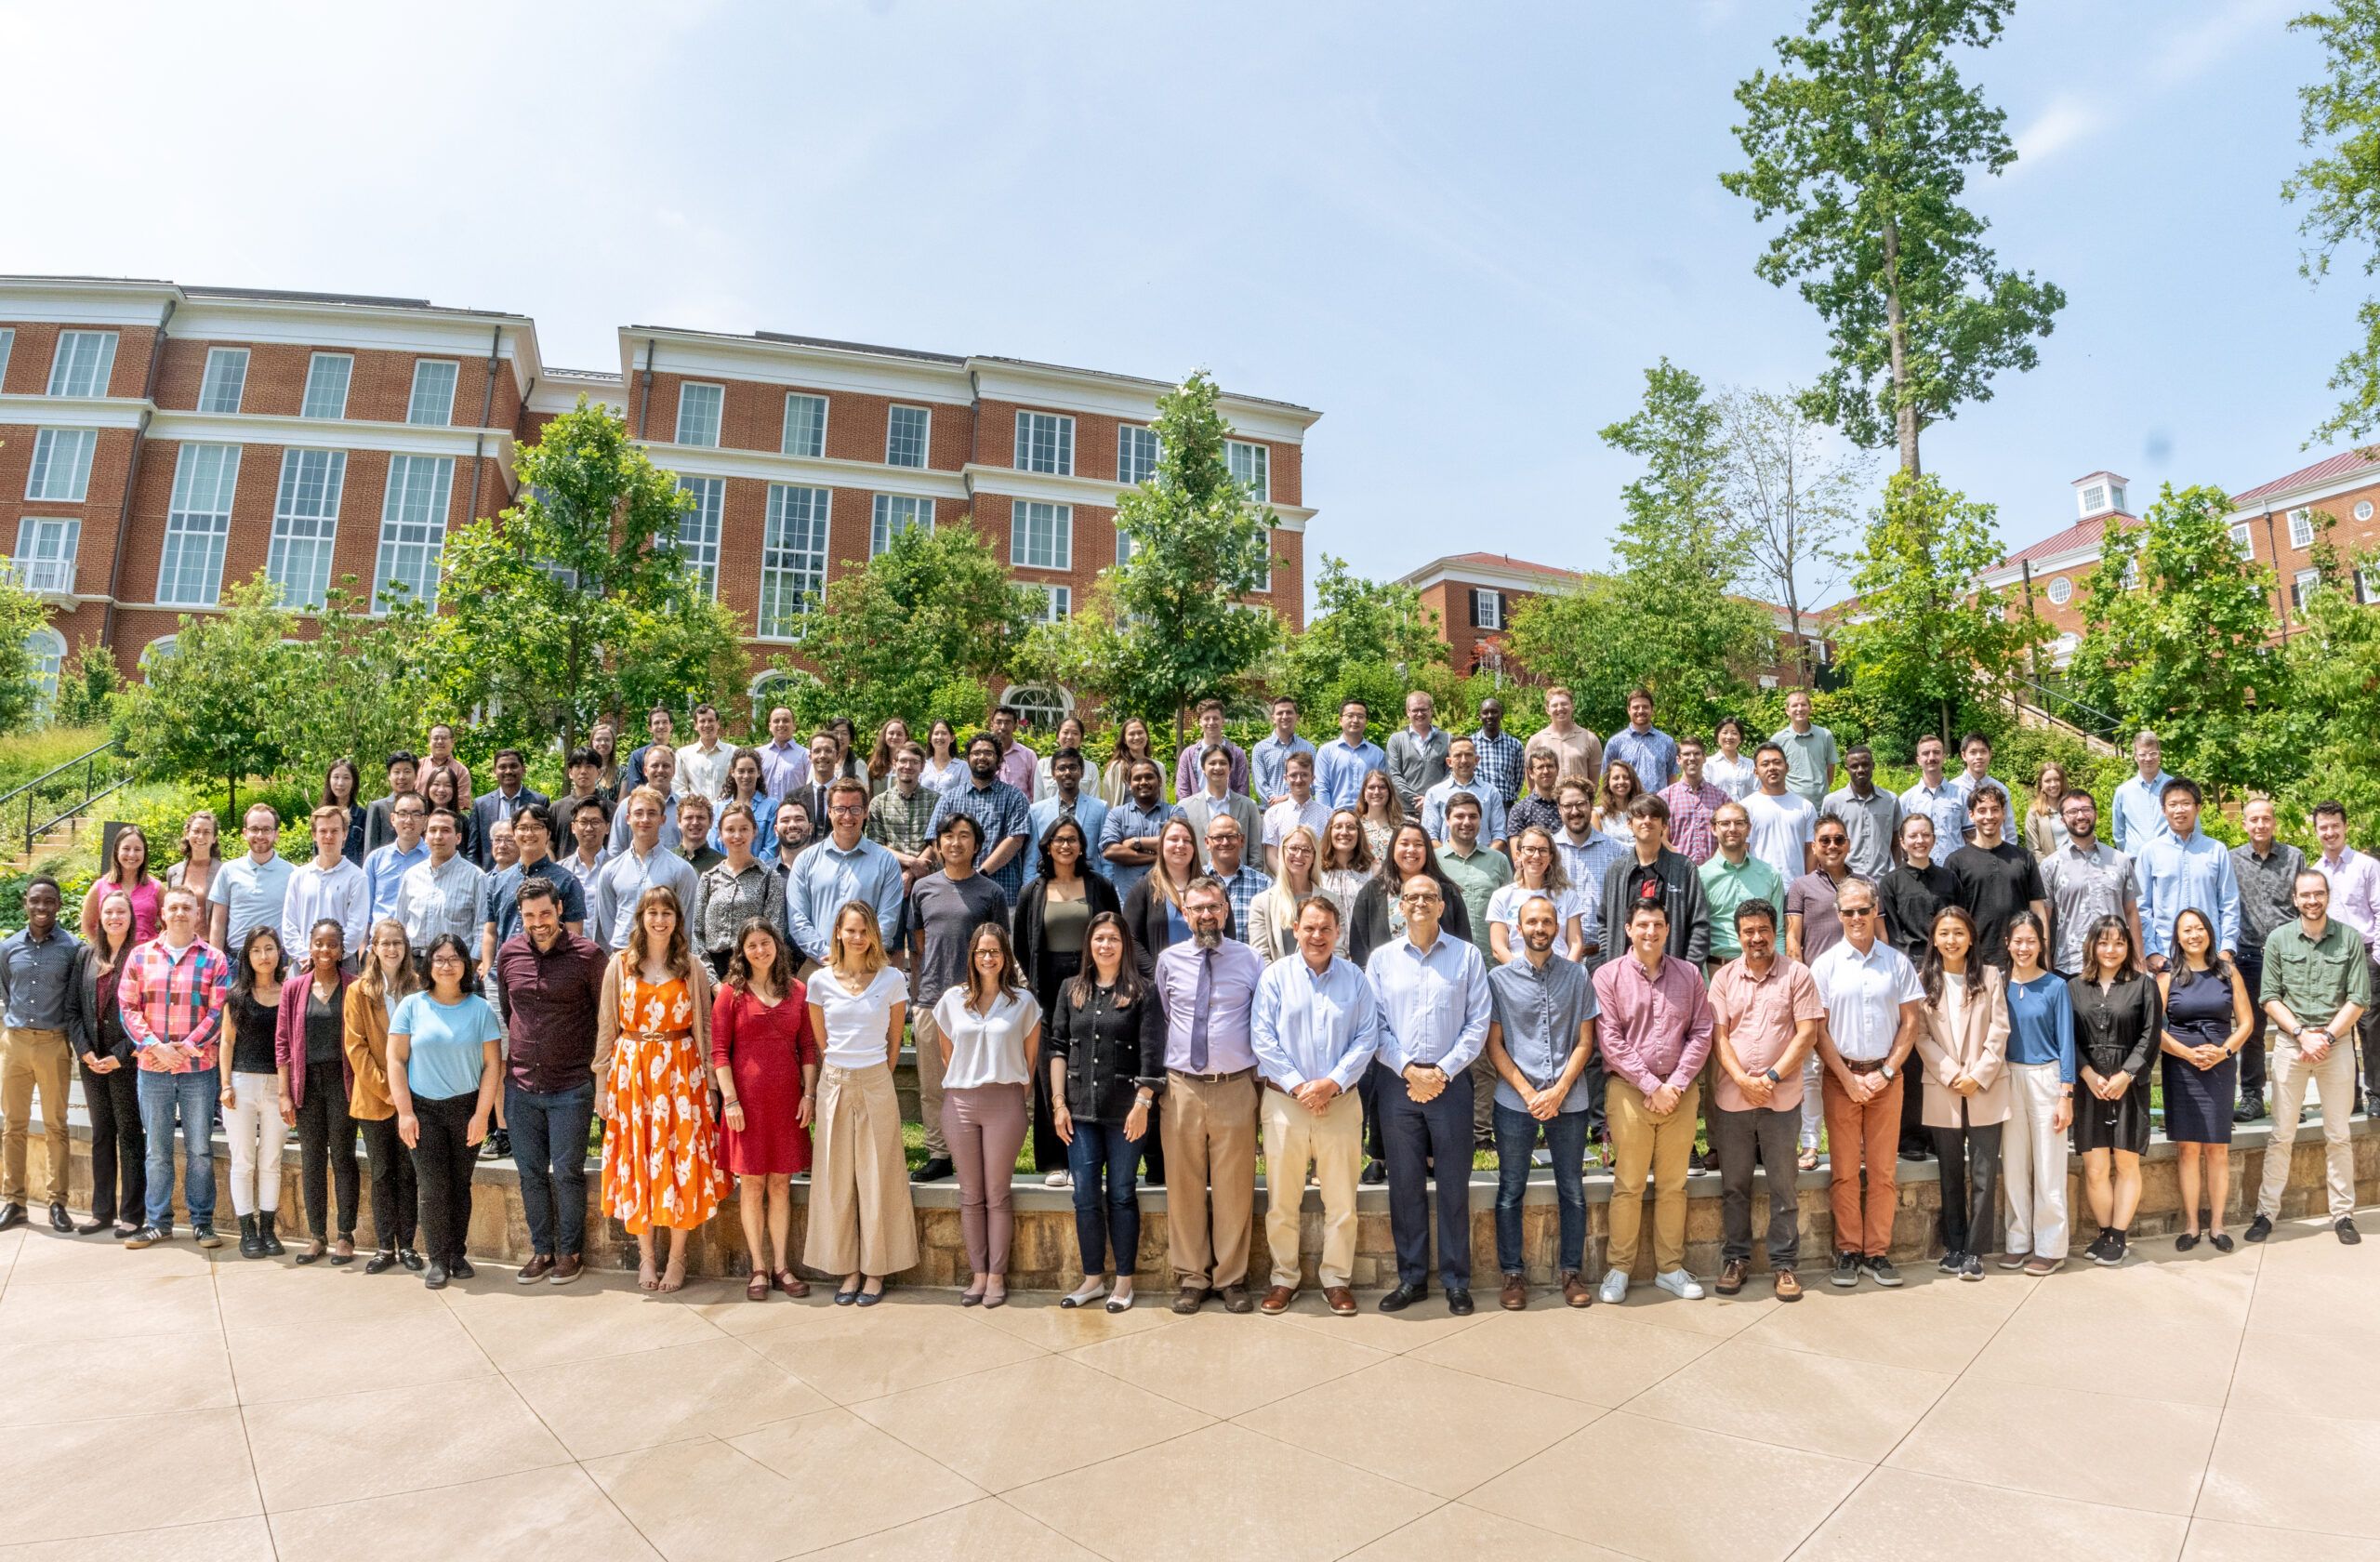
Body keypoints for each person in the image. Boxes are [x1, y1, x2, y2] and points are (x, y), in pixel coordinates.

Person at [1366, 869, 1492, 1315]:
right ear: (1400, 906)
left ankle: (1457, 1281)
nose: (1419, 902)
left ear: (1441, 905)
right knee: (1405, 1186)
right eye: (1411, 896)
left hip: (1451, 1085)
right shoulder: (1381, 960)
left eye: (1429, 896)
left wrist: (1441, 1071)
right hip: (1397, 1084)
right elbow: (1374, 1025)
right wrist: (1409, 1070)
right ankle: (1412, 1279)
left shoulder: (1467, 956)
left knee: (1454, 1186)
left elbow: (1478, 1023)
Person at [1251, 894, 1382, 1317]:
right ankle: (1283, 1278)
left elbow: (1367, 1037)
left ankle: (1336, 1280)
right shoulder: (1275, 977)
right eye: (1309, 927)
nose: (1317, 936)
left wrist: (1330, 1083)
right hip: (1284, 1104)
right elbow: (1262, 1039)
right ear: (1295, 930)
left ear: (1338, 932)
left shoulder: (1355, 979)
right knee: (1282, 1201)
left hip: (1340, 1103)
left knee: (1342, 1203)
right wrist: (1300, 1088)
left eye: (1326, 928)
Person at [593, 887, 723, 1292]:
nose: (660, 920)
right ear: (641, 918)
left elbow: (704, 1027)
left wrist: (711, 1083)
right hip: (632, 1074)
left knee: (681, 1157)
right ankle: (647, 1256)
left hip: (681, 1073)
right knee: (638, 1157)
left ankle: (678, 1257)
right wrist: (601, 1085)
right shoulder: (619, 965)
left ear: (677, 920)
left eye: (667, 913)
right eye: (653, 912)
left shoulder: (691, 966)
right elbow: (606, 1027)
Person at [1589, 889, 1712, 1304]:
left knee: (1674, 1185)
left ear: (1667, 928)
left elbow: (1702, 1032)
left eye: (1658, 924)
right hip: (1629, 1092)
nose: (1650, 931)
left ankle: (1670, 1269)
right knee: (1629, 1184)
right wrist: (1651, 1085)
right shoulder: (1608, 977)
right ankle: (1619, 1269)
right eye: (1642, 924)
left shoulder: (1689, 975)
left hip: (1679, 1093)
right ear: (1628, 929)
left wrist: (1674, 1084)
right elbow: (1610, 1040)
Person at [1154, 876, 1264, 1313]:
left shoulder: (1250, 960)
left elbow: (1260, 1020)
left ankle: (1231, 1279)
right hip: (1181, 1087)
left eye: (1213, 907)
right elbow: (1165, 1016)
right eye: (1197, 908)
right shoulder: (1168, 961)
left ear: (1226, 911)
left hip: (1235, 1086)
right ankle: (1192, 1277)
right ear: (1185, 914)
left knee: (1235, 1189)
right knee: (1184, 1187)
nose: (1206, 915)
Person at [1706, 897, 1823, 1301]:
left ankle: (1784, 1265)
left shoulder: (1798, 975)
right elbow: (1719, 1036)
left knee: (1783, 1186)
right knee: (1734, 1187)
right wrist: (1742, 1079)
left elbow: (1807, 1034)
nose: (1756, 937)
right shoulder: (1723, 979)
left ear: (1775, 932)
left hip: (1782, 1099)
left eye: (1762, 930)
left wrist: (1770, 1078)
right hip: (1733, 1098)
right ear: (1737, 935)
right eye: (1748, 931)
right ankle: (1736, 1259)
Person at [1486, 893, 1599, 1309]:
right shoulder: (1499, 980)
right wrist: (1530, 1093)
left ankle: (1571, 1272)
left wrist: (1559, 1090)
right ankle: (1512, 1275)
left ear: (1557, 928)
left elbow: (1586, 1042)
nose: (1539, 928)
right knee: (1510, 1189)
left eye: (1547, 922)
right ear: (1518, 929)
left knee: (1572, 1190)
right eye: (1531, 922)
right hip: (1516, 1101)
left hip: (1568, 1100)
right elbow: (1494, 1046)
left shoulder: (1578, 976)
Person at [1810, 878, 1924, 1288]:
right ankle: (1848, 1251)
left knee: (1882, 1172)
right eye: (1849, 911)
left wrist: (1887, 1072)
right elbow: (1818, 1030)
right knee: (1843, 1171)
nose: (1857, 917)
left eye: (1863, 910)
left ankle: (1876, 1252)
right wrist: (1847, 1078)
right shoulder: (1824, 965)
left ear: (1875, 911)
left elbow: (1911, 1023)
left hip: (1886, 1079)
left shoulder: (1897, 963)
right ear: (1838, 914)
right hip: (1840, 1079)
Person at [494, 877, 606, 1285]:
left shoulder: (589, 956)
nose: (538, 922)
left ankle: (570, 1253)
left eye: (545, 913)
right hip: (521, 1084)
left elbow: (605, 1019)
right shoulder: (508, 954)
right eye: (529, 916)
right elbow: (509, 1011)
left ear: (559, 909)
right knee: (530, 1173)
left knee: (567, 1172)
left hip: (571, 1085)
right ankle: (542, 1251)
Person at [2248, 868, 2368, 1248]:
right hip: (2291, 1045)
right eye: (2305, 895)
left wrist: (2326, 1036)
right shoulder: (2279, 939)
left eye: (2318, 893)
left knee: (2339, 1135)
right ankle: (2266, 1213)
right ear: (2295, 899)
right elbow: (2269, 997)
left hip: (2336, 1046)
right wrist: (2302, 1034)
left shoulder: (2349, 939)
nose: (2312, 900)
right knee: (2281, 1134)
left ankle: (2343, 1214)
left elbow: (2359, 998)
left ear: (2327, 896)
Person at [805, 904, 918, 1303]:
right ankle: (847, 1270)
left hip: (875, 1080)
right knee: (836, 1179)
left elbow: (894, 1041)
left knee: (878, 1178)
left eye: (864, 930)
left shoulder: (891, 980)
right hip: (835, 1081)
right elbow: (822, 1043)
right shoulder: (819, 982)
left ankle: (875, 1271)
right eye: (850, 930)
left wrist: (877, 1074)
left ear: (874, 935)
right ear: (837, 932)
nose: (857, 937)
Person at [1049, 913, 1161, 1312]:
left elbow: (1152, 1055)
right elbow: (1058, 1048)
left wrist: (1142, 1105)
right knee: (1084, 1195)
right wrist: (1058, 1104)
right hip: (1079, 1112)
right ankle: (1093, 1279)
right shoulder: (1071, 989)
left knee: (1121, 1193)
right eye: (1099, 938)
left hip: (1126, 1114)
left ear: (1124, 945)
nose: (1106, 945)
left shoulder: (1143, 992)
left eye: (1113, 938)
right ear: (1088, 944)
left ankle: (1124, 1282)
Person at [933, 923, 1041, 1307]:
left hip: (1005, 1103)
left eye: (995, 951)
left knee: (997, 1194)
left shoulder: (1023, 1003)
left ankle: (996, 1275)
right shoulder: (952, 1000)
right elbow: (947, 1055)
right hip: (960, 1104)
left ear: (1005, 956)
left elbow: (1030, 1061)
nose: (988, 958)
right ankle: (978, 1274)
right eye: (981, 951)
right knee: (970, 1195)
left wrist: (1010, 1096)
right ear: (972, 956)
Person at [387, 933, 502, 1289]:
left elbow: (492, 1066)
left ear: (465, 964)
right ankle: (437, 1259)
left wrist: (482, 1115)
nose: (446, 965)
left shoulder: (480, 1010)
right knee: (433, 1187)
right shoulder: (411, 1006)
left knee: (460, 1185)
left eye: (454, 958)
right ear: (429, 965)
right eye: (439, 959)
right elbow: (396, 1060)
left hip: (467, 1108)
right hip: (423, 1110)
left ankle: (457, 1254)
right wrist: (405, 1113)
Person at [712, 919, 818, 1301]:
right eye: (752, 945)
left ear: (777, 945)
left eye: (766, 942)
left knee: (781, 1185)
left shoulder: (798, 991)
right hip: (746, 1106)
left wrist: (809, 1094)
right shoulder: (730, 993)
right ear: (742, 952)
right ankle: (758, 1267)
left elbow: (808, 1047)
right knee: (753, 1184)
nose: (760, 950)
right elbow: (719, 1053)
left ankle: (782, 1267)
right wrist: (731, 1101)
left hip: (787, 1102)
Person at [121, 886, 231, 1249]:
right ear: (162, 914)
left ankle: (202, 1223)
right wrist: (156, 1046)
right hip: (153, 1068)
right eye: (174, 907)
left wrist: (185, 1049)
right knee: (157, 1150)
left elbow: (219, 1012)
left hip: (199, 1069)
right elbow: (128, 1008)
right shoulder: (140, 956)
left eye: (187, 907)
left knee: (200, 1148)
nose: (180, 912)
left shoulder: (215, 959)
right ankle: (158, 1222)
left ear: (198, 914)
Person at [1013, 816, 1122, 1182]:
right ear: (1047, 846)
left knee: (1089, 1069)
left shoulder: (1099, 886)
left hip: (1093, 982)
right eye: (1058, 839)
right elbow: (1021, 944)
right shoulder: (1032, 891)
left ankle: (1088, 1160)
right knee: (1051, 1071)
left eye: (1072, 839)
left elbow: (1115, 931)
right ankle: (1054, 1161)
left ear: (1081, 846)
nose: (1065, 845)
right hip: (1047, 989)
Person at [908, 814, 1007, 1185]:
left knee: (977, 1083)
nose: (955, 842)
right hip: (932, 998)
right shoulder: (923, 889)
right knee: (934, 1084)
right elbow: (918, 943)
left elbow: (1000, 949)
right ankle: (939, 1154)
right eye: (948, 836)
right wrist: (919, 994)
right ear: (937, 844)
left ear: (977, 845)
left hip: (977, 1001)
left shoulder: (991, 892)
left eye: (964, 836)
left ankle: (977, 1150)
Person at [1914, 907, 2010, 1280]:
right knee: (1950, 1173)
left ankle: (1975, 1251)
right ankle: (1954, 1246)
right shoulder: (1924, 981)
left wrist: (1978, 1075)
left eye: (1958, 933)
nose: (1951, 940)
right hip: (1944, 1088)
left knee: (1984, 1173)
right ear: (1934, 940)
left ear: (1971, 938)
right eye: (1944, 933)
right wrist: (1953, 1074)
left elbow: (2000, 1030)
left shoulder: (1989, 976)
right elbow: (1920, 1035)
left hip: (1985, 1087)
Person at [2159, 906, 2253, 1252]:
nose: (2194, 934)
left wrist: (2223, 1052)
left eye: (2199, 928)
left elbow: (2246, 1023)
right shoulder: (2167, 977)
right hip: (2181, 1068)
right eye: (2186, 930)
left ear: (2209, 932)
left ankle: (2217, 1226)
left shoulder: (2228, 972)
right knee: (2187, 1148)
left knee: (2217, 1148)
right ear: (2177, 937)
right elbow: (2153, 1029)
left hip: (2220, 1068)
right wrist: (2186, 1054)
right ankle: (2191, 1226)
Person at [2068, 914, 2159, 1265]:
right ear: (2092, 945)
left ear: (2128, 946)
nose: (2111, 950)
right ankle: (2104, 1232)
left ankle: (2119, 1236)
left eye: (2119, 943)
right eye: (2104, 942)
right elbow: (2068, 1037)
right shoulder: (2074, 987)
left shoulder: (2143, 985)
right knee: (2094, 1167)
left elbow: (2150, 1036)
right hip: (2089, 1085)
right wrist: (2087, 1073)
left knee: (2125, 1162)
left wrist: (2127, 1074)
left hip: (2128, 1086)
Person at [0, 877, 81, 1233]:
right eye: (36, 900)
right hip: (14, 1044)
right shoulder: (8, 947)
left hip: (53, 1043)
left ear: (59, 905)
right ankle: (14, 1202)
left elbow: (74, 998)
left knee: (55, 1125)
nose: (42, 907)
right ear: (26, 903)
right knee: (13, 1125)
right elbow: (6, 989)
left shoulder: (72, 948)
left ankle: (57, 1203)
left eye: (49, 901)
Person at [274, 920, 354, 1264]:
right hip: (306, 1084)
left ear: (341, 949)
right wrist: (284, 1093)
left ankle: (345, 1235)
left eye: (332, 944)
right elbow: (282, 1043)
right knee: (312, 1159)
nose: (325, 950)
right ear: (310, 946)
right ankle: (317, 1235)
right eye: (319, 943)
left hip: (342, 1082)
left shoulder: (354, 986)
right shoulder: (293, 988)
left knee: (344, 1157)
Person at [1999, 912, 2074, 1274]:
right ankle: (2017, 1241)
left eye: (2031, 941)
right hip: (2008, 1077)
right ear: (2007, 943)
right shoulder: (1998, 985)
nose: (2024, 947)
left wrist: (2065, 1095)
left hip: (2047, 1078)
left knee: (2048, 1167)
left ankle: (2051, 1246)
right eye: (2018, 941)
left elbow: (2067, 1043)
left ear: (2042, 944)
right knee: (2014, 1165)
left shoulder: (2056, 986)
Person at [68, 889, 144, 1235]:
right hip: (91, 1061)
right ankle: (101, 1212)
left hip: (125, 1061)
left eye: (121, 912)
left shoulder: (140, 956)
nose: (114, 918)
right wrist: (84, 1051)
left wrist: (119, 1055)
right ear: (99, 917)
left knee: (129, 1134)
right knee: (101, 1133)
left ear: (131, 918)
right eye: (109, 912)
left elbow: (147, 1013)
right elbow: (72, 1009)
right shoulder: (85, 955)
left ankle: (132, 1214)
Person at [347, 920, 421, 1273]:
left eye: (398, 943)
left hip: (413, 1098)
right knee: (381, 1173)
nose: (392, 949)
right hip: (375, 1099)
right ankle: (384, 1247)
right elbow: (355, 1047)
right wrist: (388, 1089)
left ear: (405, 947)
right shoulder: (359, 991)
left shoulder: (418, 987)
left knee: (408, 1173)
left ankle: (407, 1245)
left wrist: (406, 1091)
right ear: (373, 948)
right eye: (385, 943)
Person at [2228, 797, 2301, 1122]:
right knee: (2252, 1030)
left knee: (2292, 1028)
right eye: (2254, 819)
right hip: (2248, 956)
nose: (2260, 825)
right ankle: (2252, 1097)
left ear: (2274, 822)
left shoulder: (2294, 857)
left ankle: (2291, 1101)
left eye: (2266, 819)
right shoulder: (2231, 859)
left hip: (2288, 957)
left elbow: (2302, 905)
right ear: (2244, 823)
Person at [219, 926, 290, 1260]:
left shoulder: (289, 993)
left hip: (278, 1086)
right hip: (242, 1083)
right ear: (247, 956)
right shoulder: (236, 995)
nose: (264, 956)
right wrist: (225, 1085)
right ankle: (248, 1231)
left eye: (269, 948)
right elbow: (227, 1042)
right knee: (243, 1160)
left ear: (279, 952)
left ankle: (268, 1230)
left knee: (272, 1160)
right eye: (256, 950)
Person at [784, 781, 904, 973]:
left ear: (865, 812)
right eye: (840, 809)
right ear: (829, 812)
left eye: (855, 809)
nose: (847, 816)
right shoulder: (806, 860)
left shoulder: (886, 862)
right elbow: (798, 919)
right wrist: (828, 954)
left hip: (869, 968)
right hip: (819, 965)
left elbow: (888, 920)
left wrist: (858, 956)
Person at [2309, 799, 2380, 1111]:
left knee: (2371, 1027)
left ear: (2345, 826)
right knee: (2336, 1028)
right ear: (2316, 831)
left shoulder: (2367, 866)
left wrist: (2377, 957)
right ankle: (2347, 1097)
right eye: (2323, 827)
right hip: (2330, 957)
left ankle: (2376, 1094)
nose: (2329, 832)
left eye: (2335, 825)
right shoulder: (2315, 872)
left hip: (2366, 954)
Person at [2138, 779, 2241, 974]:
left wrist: (2227, 948)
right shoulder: (2150, 852)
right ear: (2164, 810)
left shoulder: (2216, 850)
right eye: (2173, 804)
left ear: (2198, 808)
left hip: (2211, 955)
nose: (2179, 810)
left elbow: (2229, 902)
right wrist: (2151, 951)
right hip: (2165, 957)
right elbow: (2142, 907)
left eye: (2186, 803)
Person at [2040, 791, 2141, 978]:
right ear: (2062, 820)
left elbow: (2131, 912)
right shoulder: (2050, 865)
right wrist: (2045, 965)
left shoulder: (2120, 861)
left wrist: (2139, 961)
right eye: (2072, 812)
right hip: (2071, 965)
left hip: (2117, 962)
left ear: (2095, 814)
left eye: (2086, 809)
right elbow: (2044, 918)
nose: (2080, 816)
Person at [1948, 784, 2049, 967]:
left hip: (2021, 959)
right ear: (1971, 815)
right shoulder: (1956, 861)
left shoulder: (2023, 858)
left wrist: (2045, 958)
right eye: (1982, 810)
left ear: (2003, 813)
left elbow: (2038, 912)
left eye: (1995, 810)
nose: (1989, 816)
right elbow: (1951, 919)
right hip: (1975, 963)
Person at [928, 734, 1034, 907]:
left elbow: (1015, 839)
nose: (981, 757)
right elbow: (935, 839)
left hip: (1002, 893)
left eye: (988, 753)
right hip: (956, 894)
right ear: (968, 759)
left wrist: (979, 875)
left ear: (999, 760)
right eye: (976, 753)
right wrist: (956, 873)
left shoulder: (1015, 797)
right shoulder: (949, 798)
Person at [592, 788, 701, 955]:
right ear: (628, 818)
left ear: (663, 819)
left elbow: (687, 924)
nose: (645, 819)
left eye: (652, 813)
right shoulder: (610, 870)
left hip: (666, 958)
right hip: (623, 956)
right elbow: (607, 924)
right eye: (638, 813)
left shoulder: (681, 870)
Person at [1700, 801, 1785, 972]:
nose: (1732, 829)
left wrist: (1779, 971)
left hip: (1763, 968)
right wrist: (1705, 980)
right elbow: (1697, 933)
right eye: (1725, 823)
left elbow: (1779, 931)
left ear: (1748, 828)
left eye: (1739, 823)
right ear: (1714, 829)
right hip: (1717, 968)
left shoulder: (1770, 875)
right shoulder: (1700, 876)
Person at [281, 803, 368, 964]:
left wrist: (330, 956)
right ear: (314, 835)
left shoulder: (357, 877)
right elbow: (289, 925)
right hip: (303, 963)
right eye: (323, 831)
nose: (329, 836)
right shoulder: (298, 876)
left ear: (345, 834)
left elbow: (357, 928)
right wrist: (305, 957)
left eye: (335, 831)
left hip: (342, 963)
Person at [1122, 817, 1209, 976]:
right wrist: (1158, 976)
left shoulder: (1211, 889)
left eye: (1187, 840)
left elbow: (1226, 935)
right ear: (1161, 845)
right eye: (1173, 839)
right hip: (1160, 983)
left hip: (1207, 980)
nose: (1181, 844)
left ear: (1194, 848)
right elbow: (1130, 939)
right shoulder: (1143, 888)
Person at [1488, 827, 1587, 965]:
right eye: (1530, 849)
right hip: (1517, 973)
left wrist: (1565, 974)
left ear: (1550, 857)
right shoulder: (1501, 897)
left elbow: (1576, 944)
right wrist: (1520, 973)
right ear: (1518, 854)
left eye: (1543, 850)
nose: (1536, 856)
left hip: (1561, 971)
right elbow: (1499, 948)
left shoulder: (1567, 896)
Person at [395, 809, 484, 956]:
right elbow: (400, 924)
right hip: (414, 961)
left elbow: (482, 930)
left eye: (445, 830)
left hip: (455, 963)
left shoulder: (476, 877)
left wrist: (472, 965)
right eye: (433, 830)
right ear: (425, 837)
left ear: (458, 838)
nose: (438, 836)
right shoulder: (412, 875)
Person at [867, 740, 942, 909]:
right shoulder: (879, 803)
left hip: (928, 882)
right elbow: (875, 844)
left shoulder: (936, 801)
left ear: (922, 766)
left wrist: (910, 873)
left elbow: (937, 841)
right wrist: (912, 862)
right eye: (903, 761)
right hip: (889, 882)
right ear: (894, 764)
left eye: (914, 762)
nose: (908, 766)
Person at [209, 803, 293, 953]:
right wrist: (216, 961)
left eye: (266, 829)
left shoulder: (293, 873)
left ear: (276, 834)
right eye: (254, 829)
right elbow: (218, 923)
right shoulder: (228, 870)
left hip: (277, 957)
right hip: (236, 958)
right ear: (245, 833)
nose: (260, 835)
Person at [1025, 746, 1111, 884]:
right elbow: (1031, 858)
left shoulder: (1100, 808)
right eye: (1062, 768)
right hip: (1050, 885)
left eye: (1073, 767)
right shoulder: (1036, 811)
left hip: (1089, 884)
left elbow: (1107, 857)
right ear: (1053, 773)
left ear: (1082, 772)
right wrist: (1031, 889)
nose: (1067, 772)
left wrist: (1107, 887)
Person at [1100, 758, 1181, 903]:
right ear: (1129, 784)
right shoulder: (1116, 814)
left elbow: (1177, 843)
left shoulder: (1175, 812)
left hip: (1168, 897)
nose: (1143, 782)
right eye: (1137, 778)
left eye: (1149, 777)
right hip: (1126, 898)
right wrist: (1158, 857)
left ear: (1160, 781)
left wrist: (1134, 842)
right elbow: (1110, 851)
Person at [1820, 747, 1900, 884]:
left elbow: (1896, 843)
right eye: (1854, 766)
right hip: (1845, 882)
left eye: (1865, 764)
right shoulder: (1832, 802)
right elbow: (1823, 844)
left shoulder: (1890, 800)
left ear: (1873, 766)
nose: (1860, 770)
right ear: (1847, 769)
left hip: (1882, 881)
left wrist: (1898, 875)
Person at [1249, 824, 1329, 961]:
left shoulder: (1331, 900)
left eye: (1306, 850)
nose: (1299, 855)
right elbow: (1260, 957)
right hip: (1274, 975)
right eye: (1293, 848)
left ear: (1314, 856)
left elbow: (1336, 952)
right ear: (1282, 851)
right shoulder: (1261, 903)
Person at [1741, 744, 1816, 885]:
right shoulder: (1745, 807)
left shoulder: (1805, 806)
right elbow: (1742, 850)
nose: (1772, 768)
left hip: (1796, 888)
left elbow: (1811, 850)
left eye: (1777, 762)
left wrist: (1808, 885)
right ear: (1756, 772)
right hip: (1759, 886)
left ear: (1787, 767)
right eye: (1765, 764)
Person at [1180, 746, 1262, 870]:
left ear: (1230, 768)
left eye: (1223, 763)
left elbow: (1256, 853)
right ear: (1203, 768)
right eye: (1212, 763)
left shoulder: (1249, 806)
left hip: (1241, 879)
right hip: (1199, 879)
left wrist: (1251, 880)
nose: (1218, 767)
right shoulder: (1185, 807)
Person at [1422, 736, 1509, 851]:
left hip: (1484, 859)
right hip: (1444, 860)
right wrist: (1445, 857)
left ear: (1476, 760)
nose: (1463, 760)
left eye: (1468, 755)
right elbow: (1429, 835)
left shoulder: (1491, 792)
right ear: (1449, 762)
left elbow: (1500, 835)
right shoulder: (1434, 793)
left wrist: (1487, 858)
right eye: (1458, 755)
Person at [81, 824, 162, 944]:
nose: (132, 854)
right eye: (126, 848)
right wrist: (102, 949)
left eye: (137, 849)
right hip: (112, 954)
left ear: (144, 853)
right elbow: (88, 924)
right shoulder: (100, 886)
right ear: (117, 851)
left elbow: (169, 924)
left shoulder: (156, 888)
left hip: (146, 953)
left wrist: (158, 947)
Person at [469, 748, 549, 870]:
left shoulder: (539, 801)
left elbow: (546, 842)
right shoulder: (481, 804)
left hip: (530, 872)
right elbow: (473, 849)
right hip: (491, 873)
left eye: (513, 766)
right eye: (502, 767)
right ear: (494, 771)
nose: (508, 771)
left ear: (523, 769)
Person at [1658, 735, 1729, 866]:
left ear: (1704, 758)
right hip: (1677, 868)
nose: (1692, 758)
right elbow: (1659, 835)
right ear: (1678, 760)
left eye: (1697, 753)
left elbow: (1728, 834)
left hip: (1714, 869)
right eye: (1686, 754)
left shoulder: (1721, 798)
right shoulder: (1664, 797)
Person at [364, 792, 430, 925]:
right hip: (380, 936)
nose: (409, 820)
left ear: (425, 821)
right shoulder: (375, 859)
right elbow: (365, 909)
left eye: (416, 814)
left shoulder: (433, 858)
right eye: (403, 814)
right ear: (393, 819)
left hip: (419, 936)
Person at [1261, 751, 1330, 876]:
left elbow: (1329, 854)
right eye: (1293, 775)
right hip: (1283, 882)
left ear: (1312, 778)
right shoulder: (1273, 814)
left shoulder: (1328, 814)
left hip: (1318, 881)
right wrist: (1288, 880)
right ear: (1286, 778)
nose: (1299, 780)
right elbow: (1271, 855)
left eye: (1304, 775)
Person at [1526, 685, 1604, 796]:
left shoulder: (1589, 739)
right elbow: (1531, 783)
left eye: (1564, 704)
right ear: (1547, 710)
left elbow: (1593, 783)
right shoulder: (1536, 741)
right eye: (1554, 705)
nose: (1560, 708)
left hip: (1578, 802)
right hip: (1546, 803)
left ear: (1572, 706)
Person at [1385, 690, 1451, 820]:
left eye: (1423, 709)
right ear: (1408, 712)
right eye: (1415, 710)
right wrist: (1417, 800)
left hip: (1439, 809)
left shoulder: (1447, 739)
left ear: (1431, 710)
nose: (1419, 714)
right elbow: (1394, 775)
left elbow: (1451, 773)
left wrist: (1431, 799)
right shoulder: (1396, 740)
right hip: (1404, 812)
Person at [1316, 811, 1376, 950]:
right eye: (1338, 827)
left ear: (1359, 833)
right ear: (1329, 831)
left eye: (1350, 827)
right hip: (1326, 949)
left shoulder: (1373, 870)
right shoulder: (1316, 870)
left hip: (1364, 949)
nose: (1344, 832)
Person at [1316, 699, 1388, 813]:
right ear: (1340, 720)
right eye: (1350, 716)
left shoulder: (1378, 754)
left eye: (1360, 716)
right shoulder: (1326, 751)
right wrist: (1328, 816)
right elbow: (1322, 788)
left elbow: (1383, 788)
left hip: (1369, 816)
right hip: (1336, 815)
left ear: (1366, 721)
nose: (1355, 720)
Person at [2110, 729, 2175, 854]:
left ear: (2160, 755)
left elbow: (2190, 825)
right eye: (2142, 754)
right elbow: (2118, 833)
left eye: (2153, 753)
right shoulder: (2123, 791)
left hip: (2170, 858)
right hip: (2135, 861)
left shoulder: (2175, 787)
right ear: (2135, 757)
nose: (2148, 758)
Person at [609, 745, 684, 853]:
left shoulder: (683, 807)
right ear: (645, 771)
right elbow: (615, 850)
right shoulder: (628, 806)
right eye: (655, 765)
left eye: (666, 766)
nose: (660, 770)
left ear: (674, 771)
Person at [1172, 697, 1250, 801]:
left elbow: (1243, 790)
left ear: (1223, 721)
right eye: (1207, 719)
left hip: (1230, 809)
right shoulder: (1188, 755)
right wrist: (1190, 809)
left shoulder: (1237, 754)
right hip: (1196, 809)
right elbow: (1182, 791)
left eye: (1215, 718)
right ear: (1200, 722)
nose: (1211, 722)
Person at [1769, 688, 1838, 805]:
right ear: (1787, 711)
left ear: (1810, 708)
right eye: (1795, 705)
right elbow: (1774, 771)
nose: (1799, 709)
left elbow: (1830, 768)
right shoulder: (1777, 740)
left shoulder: (1825, 735)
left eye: (1803, 705)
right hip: (1790, 805)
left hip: (1820, 805)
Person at [1898, 735, 1968, 846]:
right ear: (1918, 760)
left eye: (1936, 752)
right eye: (1926, 753)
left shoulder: (1961, 795)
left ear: (1944, 757)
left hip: (1957, 858)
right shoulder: (1906, 800)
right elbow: (1901, 839)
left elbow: (1970, 835)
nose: (1931, 757)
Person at [1605, 688, 1679, 792]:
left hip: (1658, 801)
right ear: (1628, 710)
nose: (1640, 711)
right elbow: (1606, 779)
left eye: (1645, 707)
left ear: (1652, 710)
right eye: (1636, 707)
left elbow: (1672, 778)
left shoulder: (1667, 742)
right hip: (1628, 802)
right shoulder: (1615, 742)